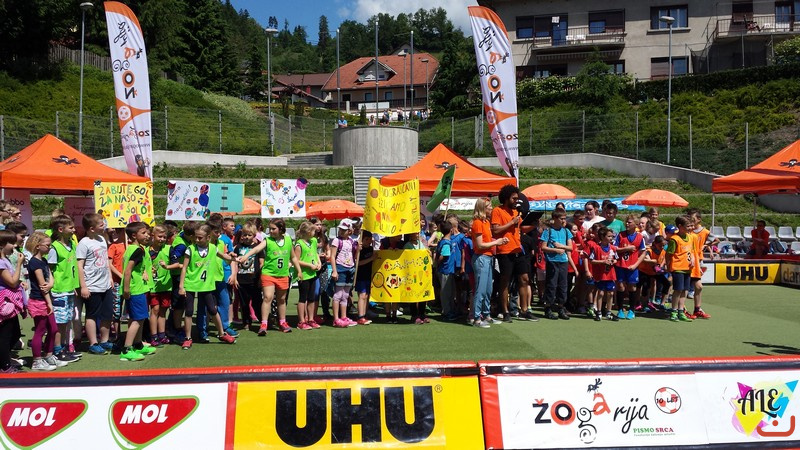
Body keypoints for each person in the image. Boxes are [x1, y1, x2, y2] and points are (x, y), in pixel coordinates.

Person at [177, 224, 237, 349]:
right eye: (196, 237)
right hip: (191, 284)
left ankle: (222, 334)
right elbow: (184, 268)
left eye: (200, 238)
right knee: (189, 311)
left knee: (212, 310)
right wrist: (181, 286)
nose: (197, 240)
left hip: (206, 285)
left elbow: (224, 257)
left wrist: (232, 258)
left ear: (208, 237)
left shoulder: (213, 248)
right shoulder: (190, 249)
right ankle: (188, 338)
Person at [238, 219, 302, 334]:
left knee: (281, 300)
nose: (271, 231)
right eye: (270, 229)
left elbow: (293, 257)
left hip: (283, 274)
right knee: (268, 297)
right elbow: (257, 249)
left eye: (273, 229)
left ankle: (282, 322)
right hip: (268, 274)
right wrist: (246, 256)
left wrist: (299, 270)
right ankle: (264, 324)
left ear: (281, 229)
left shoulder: (288, 240)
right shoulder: (267, 240)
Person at [25, 232, 67, 371]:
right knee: (40, 330)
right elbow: (43, 285)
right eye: (47, 245)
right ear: (38, 246)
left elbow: (50, 276)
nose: (49, 248)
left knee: (53, 329)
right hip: (39, 300)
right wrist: (49, 303)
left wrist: (51, 284)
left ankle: (48, 355)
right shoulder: (34, 262)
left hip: (46, 299)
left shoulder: (43, 260)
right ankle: (37, 361)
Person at [119, 222, 159, 361]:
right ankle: (127, 349)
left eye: (147, 232)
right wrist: (126, 289)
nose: (147, 235)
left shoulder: (135, 249)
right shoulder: (137, 250)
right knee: (137, 319)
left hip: (138, 288)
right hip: (135, 289)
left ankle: (138, 344)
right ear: (134, 235)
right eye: (144, 233)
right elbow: (128, 270)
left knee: (139, 318)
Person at [491, 184, 531, 323]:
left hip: (517, 249)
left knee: (524, 278)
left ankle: (524, 310)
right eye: (514, 198)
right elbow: (495, 230)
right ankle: (505, 311)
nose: (516, 201)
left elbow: (520, 229)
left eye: (517, 198)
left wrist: (533, 223)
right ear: (506, 198)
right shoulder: (497, 211)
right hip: (505, 251)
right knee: (505, 281)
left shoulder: (516, 212)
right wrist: (511, 222)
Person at [76, 213, 115, 355]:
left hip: (105, 284)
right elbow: (80, 266)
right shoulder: (84, 243)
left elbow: (105, 261)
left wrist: (110, 278)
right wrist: (83, 286)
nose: (104, 225)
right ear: (91, 228)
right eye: (101, 224)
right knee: (92, 315)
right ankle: (93, 343)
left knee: (107, 314)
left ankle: (104, 340)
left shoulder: (102, 239)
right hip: (92, 285)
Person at [47, 216, 81, 363]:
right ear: (60, 229)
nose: (74, 230)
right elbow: (49, 269)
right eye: (71, 228)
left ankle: (64, 347)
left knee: (67, 321)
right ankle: (57, 350)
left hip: (69, 289)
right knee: (59, 323)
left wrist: (74, 286)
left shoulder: (72, 244)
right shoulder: (54, 248)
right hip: (59, 290)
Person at [230, 223, 264, 332]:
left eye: (249, 235)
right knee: (244, 304)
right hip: (241, 280)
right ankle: (246, 322)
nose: (246, 237)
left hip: (254, 280)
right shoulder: (238, 247)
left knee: (257, 302)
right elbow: (234, 263)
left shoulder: (257, 248)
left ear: (254, 235)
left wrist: (260, 278)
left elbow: (261, 263)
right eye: (244, 235)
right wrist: (235, 277)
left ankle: (263, 320)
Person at [0, 230, 26, 373]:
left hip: (10, 302)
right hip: (4, 303)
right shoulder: (1, 263)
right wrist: (19, 265)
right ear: (2, 245)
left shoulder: (5, 260)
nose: (14, 246)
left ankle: (4, 360)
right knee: (6, 335)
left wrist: (20, 283)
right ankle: (4, 366)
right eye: (11, 243)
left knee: (15, 333)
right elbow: (11, 281)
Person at [541, 210, 574, 320]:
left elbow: (570, 247)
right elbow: (543, 247)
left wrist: (561, 246)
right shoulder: (548, 231)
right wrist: (555, 250)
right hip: (552, 261)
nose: (564, 221)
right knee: (551, 285)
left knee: (563, 285)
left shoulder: (566, 231)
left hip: (563, 261)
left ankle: (561, 307)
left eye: (565, 218)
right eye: (561, 219)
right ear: (555, 219)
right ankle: (548, 307)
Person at [613, 214, 646, 319]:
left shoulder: (640, 237)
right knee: (620, 286)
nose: (627, 224)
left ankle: (632, 310)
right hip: (620, 265)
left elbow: (643, 253)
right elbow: (615, 248)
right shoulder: (620, 235)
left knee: (632, 287)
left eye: (629, 222)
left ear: (635, 224)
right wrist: (626, 249)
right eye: (626, 222)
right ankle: (620, 309)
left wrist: (636, 265)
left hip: (632, 266)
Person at [148, 224, 174, 347]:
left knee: (163, 311)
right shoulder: (147, 250)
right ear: (153, 236)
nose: (162, 239)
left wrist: (167, 266)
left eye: (164, 237)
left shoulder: (168, 249)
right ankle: (153, 336)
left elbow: (178, 264)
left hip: (166, 285)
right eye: (160, 236)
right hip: (153, 286)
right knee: (155, 310)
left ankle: (162, 335)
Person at [328, 219, 357, 327]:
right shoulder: (336, 240)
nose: (341, 231)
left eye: (344, 230)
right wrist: (334, 271)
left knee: (345, 295)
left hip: (350, 268)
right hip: (340, 268)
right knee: (338, 294)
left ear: (349, 231)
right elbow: (332, 256)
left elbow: (353, 254)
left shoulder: (351, 241)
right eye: (340, 229)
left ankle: (344, 317)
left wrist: (358, 249)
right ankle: (336, 318)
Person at [666, 216, 695, 322]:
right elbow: (668, 254)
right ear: (680, 226)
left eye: (691, 226)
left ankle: (681, 311)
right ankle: (673, 311)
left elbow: (691, 251)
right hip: (678, 268)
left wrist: (692, 259)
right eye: (688, 226)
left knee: (685, 290)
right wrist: (668, 267)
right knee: (678, 290)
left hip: (687, 268)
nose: (690, 228)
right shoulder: (675, 239)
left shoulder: (690, 237)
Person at [293, 221, 321, 330]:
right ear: (309, 232)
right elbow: (296, 260)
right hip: (303, 275)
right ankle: (301, 321)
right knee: (303, 298)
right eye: (313, 230)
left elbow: (315, 253)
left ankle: (311, 319)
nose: (315, 232)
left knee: (311, 298)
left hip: (313, 274)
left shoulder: (313, 241)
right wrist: (309, 265)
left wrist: (318, 262)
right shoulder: (299, 244)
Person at [687, 210, 714, 319]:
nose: (691, 223)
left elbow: (714, 240)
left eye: (692, 220)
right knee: (682, 288)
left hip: (696, 261)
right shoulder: (685, 234)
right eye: (690, 221)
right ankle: (680, 309)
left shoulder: (700, 233)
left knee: (698, 287)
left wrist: (706, 246)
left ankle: (697, 309)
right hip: (685, 262)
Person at [588, 227, 619, 322]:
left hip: (610, 274)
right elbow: (591, 260)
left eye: (612, 236)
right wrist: (603, 262)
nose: (611, 238)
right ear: (602, 237)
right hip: (600, 275)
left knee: (610, 293)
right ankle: (599, 312)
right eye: (609, 236)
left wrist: (613, 261)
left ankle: (608, 312)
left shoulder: (613, 248)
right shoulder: (596, 248)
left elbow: (616, 259)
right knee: (600, 293)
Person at [404, 231, 429, 324]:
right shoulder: (407, 245)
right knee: (413, 294)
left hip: (422, 272)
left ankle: (422, 313)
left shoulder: (420, 243)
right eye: (415, 233)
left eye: (418, 233)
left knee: (422, 293)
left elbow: (425, 253)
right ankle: (414, 315)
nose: (417, 235)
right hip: (412, 273)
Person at [354, 230, 376, 325]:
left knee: (367, 296)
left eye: (370, 239)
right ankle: (360, 316)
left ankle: (364, 314)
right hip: (361, 275)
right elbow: (358, 263)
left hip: (369, 275)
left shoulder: (371, 248)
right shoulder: (360, 249)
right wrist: (371, 258)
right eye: (367, 239)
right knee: (362, 295)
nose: (369, 241)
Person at [436, 222, 456, 321]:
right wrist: (438, 263)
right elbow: (443, 256)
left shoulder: (444, 241)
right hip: (445, 270)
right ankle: (447, 312)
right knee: (446, 293)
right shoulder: (446, 243)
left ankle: (450, 311)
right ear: (451, 230)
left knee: (450, 292)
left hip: (448, 270)